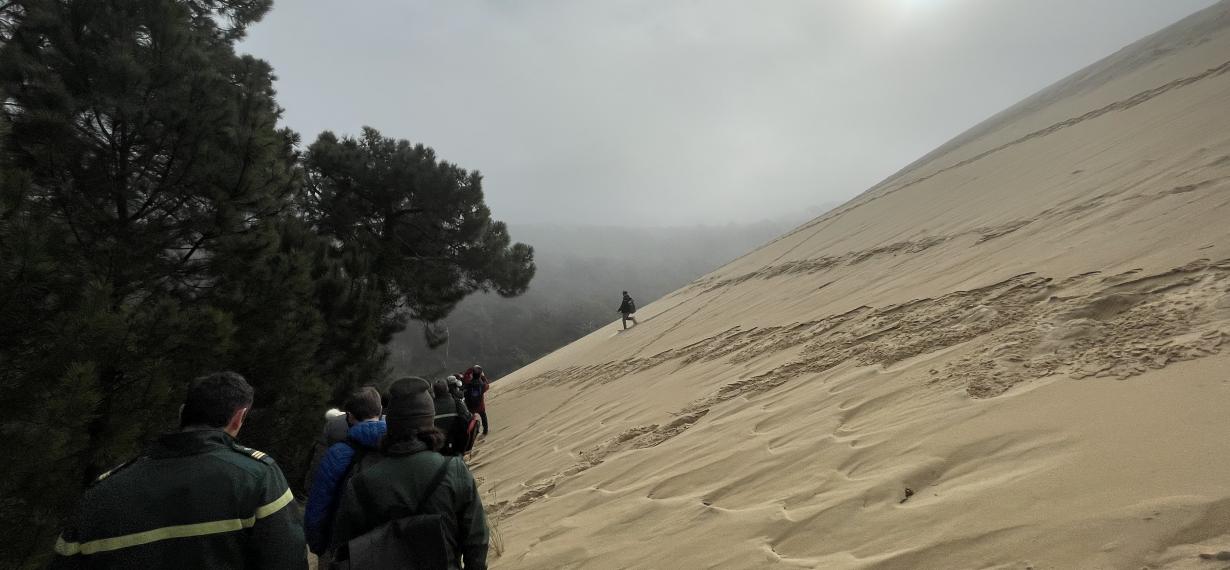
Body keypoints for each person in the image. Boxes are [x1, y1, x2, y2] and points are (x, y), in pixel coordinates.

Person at [52, 372, 305, 569]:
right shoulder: (257, 477)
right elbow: (285, 558)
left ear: (182, 413)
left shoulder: (101, 491)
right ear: (239, 417)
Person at [330, 377, 489, 569]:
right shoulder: (454, 469)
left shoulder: (359, 485)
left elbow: (342, 551)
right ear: (429, 420)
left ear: (391, 424)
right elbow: (476, 540)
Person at [304, 386, 386, 558]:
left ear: (349, 416)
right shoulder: (396, 446)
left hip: (344, 547)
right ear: (380, 411)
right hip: (385, 544)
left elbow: (319, 504)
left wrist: (318, 546)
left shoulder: (337, 453)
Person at [432, 379, 472, 456]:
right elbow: (467, 417)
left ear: (434, 392)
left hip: (438, 443)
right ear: (447, 389)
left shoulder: (430, 407)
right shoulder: (456, 401)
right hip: (456, 440)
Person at [461, 365, 491, 435]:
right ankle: (485, 431)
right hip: (480, 406)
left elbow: (464, 381)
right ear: (480, 375)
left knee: (471, 420)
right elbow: (487, 385)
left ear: (472, 374)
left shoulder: (468, 385)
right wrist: (483, 377)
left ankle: (473, 433)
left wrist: (470, 370)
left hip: (470, 407)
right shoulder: (482, 385)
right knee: (483, 417)